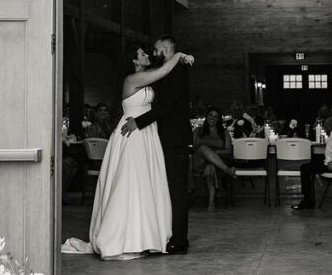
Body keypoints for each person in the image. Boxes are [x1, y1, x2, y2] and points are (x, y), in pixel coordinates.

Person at [88, 44, 194, 260]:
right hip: (133, 132)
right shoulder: (132, 79)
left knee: (147, 182)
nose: (147, 55)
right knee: (131, 182)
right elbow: (164, 70)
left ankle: (145, 236)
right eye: (142, 54)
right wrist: (180, 55)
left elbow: (164, 77)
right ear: (134, 61)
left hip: (146, 132)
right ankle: (126, 237)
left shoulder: (144, 76)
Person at [121, 36, 193, 254]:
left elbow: (166, 106)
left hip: (174, 138)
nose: (152, 54)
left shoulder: (176, 71)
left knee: (176, 189)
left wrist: (139, 122)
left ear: (165, 49)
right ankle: (162, 234)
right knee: (163, 187)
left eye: (155, 50)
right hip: (160, 137)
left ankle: (179, 240)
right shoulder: (164, 70)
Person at [193, 106, 235, 212]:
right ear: (206, 116)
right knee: (203, 148)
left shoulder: (224, 132)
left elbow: (228, 150)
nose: (212, 118)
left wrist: (212, 154)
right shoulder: (198, 131)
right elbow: (194, 148)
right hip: (199, 161)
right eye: (210, 115)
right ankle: (227, 170)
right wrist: (206, 153)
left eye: (216, 116)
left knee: (210, 167)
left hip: (217, 162)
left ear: (219, 119)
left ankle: (211, 203)